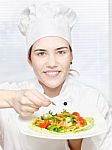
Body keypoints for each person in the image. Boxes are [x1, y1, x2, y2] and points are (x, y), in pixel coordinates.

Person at [0, 1, 112, 150]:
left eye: (61, 52)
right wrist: (11, 99)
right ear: (29, 59)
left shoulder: (94, 100)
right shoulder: (10, 95)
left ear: (71, 55)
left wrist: (75, 143)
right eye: (41, 53)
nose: (52, 63)